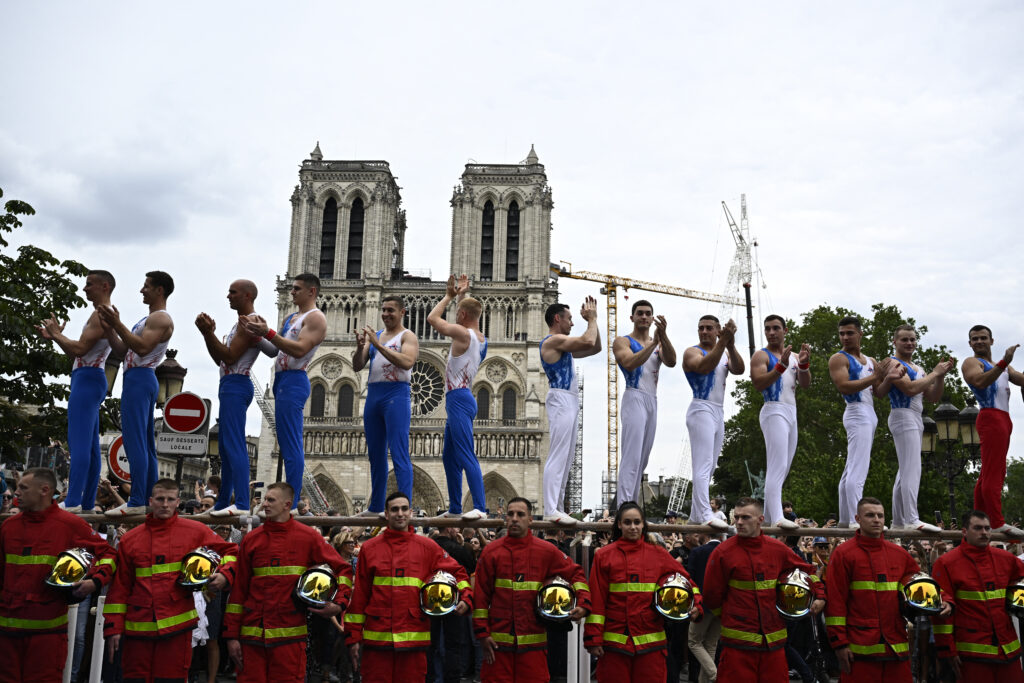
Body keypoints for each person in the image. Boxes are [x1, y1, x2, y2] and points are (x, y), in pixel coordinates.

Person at [102, 478, 238, 683]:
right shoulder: (131, 539)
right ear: (150, 501)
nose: (164, 504)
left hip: (177, 631)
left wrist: (224, 575)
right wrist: (113, 627)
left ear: (178, 502)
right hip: (137, 631)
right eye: (160, 499)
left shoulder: (195, 530)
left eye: (170, 499)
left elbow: (232, 552)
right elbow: (120, 588)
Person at [224, 482, 352, 683]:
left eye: (271, 500)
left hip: (290, 641)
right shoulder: (252, 539)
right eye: (265, 499)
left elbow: (343, 568)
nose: (265, 504)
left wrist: (339, 604)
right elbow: (239, 590)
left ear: (287, 504)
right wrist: (231, 637)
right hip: (252, 640)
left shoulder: (308, 536)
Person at [0, 468, 116, 683]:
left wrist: (94, 581)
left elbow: (109, 554)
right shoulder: (8, 527)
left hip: (47, 638)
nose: (16, 493)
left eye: (23, 488)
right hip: (7, 638)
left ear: (44, 490)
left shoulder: (69, 525)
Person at [345, 492, 471, 683]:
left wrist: (466, 597)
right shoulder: (369, 549)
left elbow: (458, 572)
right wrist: (353, 635)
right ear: (386, 514)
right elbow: (360, 595)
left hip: (414, 642)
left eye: (404, 509)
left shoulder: (428, 547)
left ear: (411, 512)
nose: (400, 513)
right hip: (377, 641)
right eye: (394, 509)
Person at [825, 497, 951, 682]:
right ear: (857, 519)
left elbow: (920, 582)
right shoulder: (843, 554)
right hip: (860, 652)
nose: (876, 519)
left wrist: (943, 599)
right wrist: (839, 644)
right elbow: (835, 603)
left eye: (880, 515)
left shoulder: (899, 554)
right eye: (870, 515)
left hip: (896, 648)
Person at [702, 497, 825, 679]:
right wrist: (732, 616)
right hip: (738, 646)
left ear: (760, 520)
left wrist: (820, 596)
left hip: (773, 646)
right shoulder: (723, 552)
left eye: (746, 517)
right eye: (737, 517)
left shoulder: (777, 549)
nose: (739, 522)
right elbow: (711, 595)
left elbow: (807, 570)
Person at [473, 497, 590, 683]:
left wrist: (583, 604)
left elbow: (576, 574)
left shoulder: (546, 551)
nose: (514, 518)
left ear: (530, 520)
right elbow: (480, 597)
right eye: (510, 514)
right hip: (497, 648)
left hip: (534, 649)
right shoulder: (491, 552)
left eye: (520, 514)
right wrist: (482, 634)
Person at [585, 502, 700, 682]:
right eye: (628, 522)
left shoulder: (659, 555)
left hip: (651, 647)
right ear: (619, 525)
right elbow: (597, 600)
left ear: (643, 525)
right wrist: (593, 638)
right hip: (614, 646)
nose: (633, 527)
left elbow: (688, 581)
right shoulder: (604, 556)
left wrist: (696, 605)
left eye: (637, 522)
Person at [240, 274, 327, 509]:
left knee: (291, 445)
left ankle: (294, 498)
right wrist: (255, 335)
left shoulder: (316, 318)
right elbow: (273, 350)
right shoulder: (291, 318)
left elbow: (299, 350)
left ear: (312, 291)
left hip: (294, 380)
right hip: (282, 380)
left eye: (297, 288)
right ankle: (291, 496)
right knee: (286, 443)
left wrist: (267, 332)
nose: (292, 292)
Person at [36, 269, 115, 513]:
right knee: (90, 447)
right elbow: (78, 352)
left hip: (87, 379)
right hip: (90, 377)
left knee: (79, 445)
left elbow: (79, 349)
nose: (84, 289)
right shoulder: (103, 314)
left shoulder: (101, 314)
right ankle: (87, 502)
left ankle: (73, 502)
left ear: (105, 286)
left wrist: (58, 334)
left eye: (89, 284)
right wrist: (57, 337)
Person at [196, 279, 276, 517]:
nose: (228, 296)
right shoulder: (242, 323)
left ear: (248, 296)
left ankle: (241, 501)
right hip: (231, 383)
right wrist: (207, 335)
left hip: (235, 383)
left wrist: (208, 333)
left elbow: (229, 357)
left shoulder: (249, 322)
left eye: (233, 292)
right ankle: (223, 503)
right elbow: (220, 359)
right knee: (226, 447)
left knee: (234, 446)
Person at [100, 270, 175, 516]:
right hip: (137, 377)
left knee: (135, 443)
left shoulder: (160, 319)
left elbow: (142, 348)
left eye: (146, 286)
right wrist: (111, 329)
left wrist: (117, 323)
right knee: (143, 444)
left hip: (140, 377)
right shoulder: (147, 319)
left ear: (159, 290)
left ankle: (138, 500)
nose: (142, 290)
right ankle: (146, 497)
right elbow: (124, 350)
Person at [932, 509, 1024, 682]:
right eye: (978, 528)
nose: (984, 532)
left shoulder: (1006, 559)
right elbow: (940, 613)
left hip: (1009, 650)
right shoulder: (946, 563)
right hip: (971, 655)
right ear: (964, 531)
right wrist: (947, 652)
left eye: (987, 528)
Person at [827, 316, 902, 529]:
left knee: (852, 467)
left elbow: (878, 392)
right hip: (855, 412)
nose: (845, 337)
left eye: (850, 333)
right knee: (858, 469)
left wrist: (890, 378)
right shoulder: (838, 359)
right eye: (842, 333)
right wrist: (876, 376)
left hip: (869, 413)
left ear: (860, 333)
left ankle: (845, 518)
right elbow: (844, 386)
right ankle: (853, 519)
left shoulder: (870, 361)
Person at [351, 296, 419, 516]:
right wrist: (360, 347)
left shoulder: (407, 336)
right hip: (374, 395)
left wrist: (377, 345)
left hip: (396, 394)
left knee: (399, 452)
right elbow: (357, 366)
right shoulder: (376, 336)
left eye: (391, 310)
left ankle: (404, 506)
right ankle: (376, 506)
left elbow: (407, 362)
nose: (386, 314)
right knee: (376, 454)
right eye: (384, 310)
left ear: (402, 313)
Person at [427, 275, 488, 520]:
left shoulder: (461, 334)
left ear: (461, 315)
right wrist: (463, 296)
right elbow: (467, 318)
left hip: (458, 398)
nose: (454, 315)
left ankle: (481, 508)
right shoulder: (481, 339)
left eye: (457, 312)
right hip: (462, 397)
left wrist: (450, 296)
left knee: (465, 453)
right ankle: (454, 507)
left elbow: (432, 319)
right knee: (449, 455)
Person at [886, 324, 953, 533]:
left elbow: (932, 396)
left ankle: (898, 520)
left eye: (913, 339)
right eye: (904, 339)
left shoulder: (918, 368)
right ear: (895, 341)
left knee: (905, 470)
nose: (909, 343)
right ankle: (911, 518)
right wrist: (935, 373)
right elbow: (909, 389)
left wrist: (940, 376)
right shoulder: (892, 363)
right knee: (912, 469)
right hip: (902, 415)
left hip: (915, 417)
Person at [540, 298, 601, 524]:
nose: (573, 323)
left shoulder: (562, 345)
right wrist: (591, 319)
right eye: (570, 319)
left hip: (570, 400)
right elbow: (588, 338)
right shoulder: (553, 341)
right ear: (558, 319)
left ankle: (557, 506)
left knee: (566, 458)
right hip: (561, 398)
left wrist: (594, 321)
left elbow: (594, 346)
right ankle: (550, 508)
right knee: (558, 454)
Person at [960, 324, 1024, 537]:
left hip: (1004, 419)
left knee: (988, 472)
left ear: (992, 341)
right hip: (991, 416)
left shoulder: (1001, 366)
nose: (979, 342)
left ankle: (979, 518)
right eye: (975, 339)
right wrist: (1004, 361)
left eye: (983, 338)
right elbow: (979, 382)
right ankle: (996, 521)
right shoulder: (972, 362)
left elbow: (1021, 379)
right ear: (970, 343)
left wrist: (1004, 364)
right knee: (995, 472)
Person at [613, 300, 677, 508]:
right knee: (631, 456)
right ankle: (624, 505)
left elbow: (672, 361)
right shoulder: (623, 341)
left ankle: (632, 504)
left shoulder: (657, 342)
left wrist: (663, 336)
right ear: (632, 317)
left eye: (648, 313)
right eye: (639, 313)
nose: (644, 317)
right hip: (634, 396)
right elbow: (630, 363)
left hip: (652, 399)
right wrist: (652, 344)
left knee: (643, 458)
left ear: (652, 318)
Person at [750, 315, 811, 529]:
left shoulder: (793, 355)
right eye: (767, 329)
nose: (771, 332)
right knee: (776, 466)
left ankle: (768, 516)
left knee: (783, 467)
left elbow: (805, 384)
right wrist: (780, 366)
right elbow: (758, 383)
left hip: (791, 410)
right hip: (773, 408)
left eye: (776, 328)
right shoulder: (761, 355)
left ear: (785, 331)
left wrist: (803, 364)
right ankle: (776, 516)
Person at [683, 315, 743, 530]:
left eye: (709, 328)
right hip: (701, 407)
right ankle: (705, 513)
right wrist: (722, 342)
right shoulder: (693, 351)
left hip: (718, 411)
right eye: (701, 328)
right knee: (703, 464)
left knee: (709, 468)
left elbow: (739, 369)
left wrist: (731, 344)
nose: (704, 332)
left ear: (718, 330)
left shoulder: (724, 351)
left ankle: (695, 513)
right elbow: (704, 367)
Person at [686, 532, 724, 683]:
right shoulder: (725, 551)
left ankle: (716, 676)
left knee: (693, 642)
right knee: (710, 646)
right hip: (721, 606)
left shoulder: (697, 552)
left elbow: (691, 579)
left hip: (702, 605)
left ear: (705, 534)